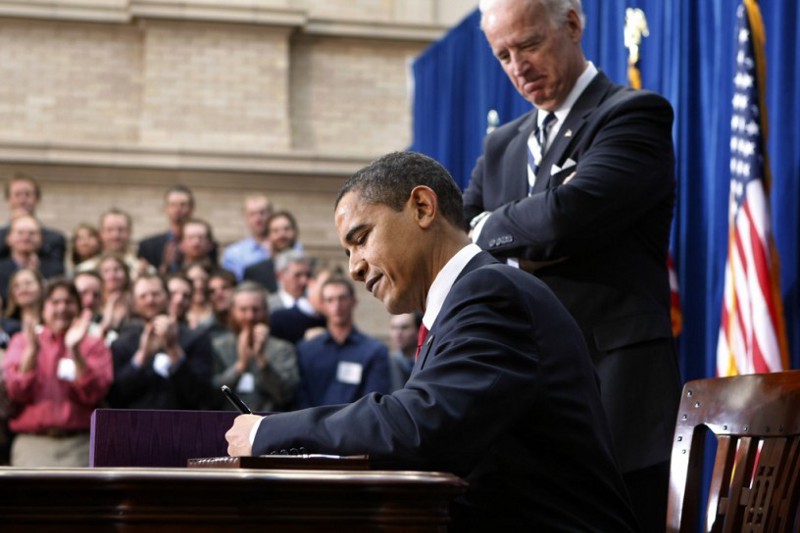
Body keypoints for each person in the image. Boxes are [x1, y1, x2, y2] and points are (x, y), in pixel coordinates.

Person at [225, 151, 637, 531]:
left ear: (422, 207)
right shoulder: (467, 300)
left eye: (361, 238)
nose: (353, 267)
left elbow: (419, 427)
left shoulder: (490, 293)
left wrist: (269, 432)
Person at [462, 1, 681, 528]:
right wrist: (519, 233)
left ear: (574, 25)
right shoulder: (500, 147)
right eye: (503, 55)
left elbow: (565, 218)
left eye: (529, 44)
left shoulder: (632, 115)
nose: (518, 67)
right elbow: (456, 237)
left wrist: (496, 229)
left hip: (617, 402)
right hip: (520, 409)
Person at [3, 278, 113, 466]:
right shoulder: (22, 341)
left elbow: (95, 393)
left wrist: (75, 351)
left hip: (79, 444)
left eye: (68, 302)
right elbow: (15, 392)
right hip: (33, 443)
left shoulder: (93, 343)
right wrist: (31, 354)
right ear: (43, 308)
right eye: (55, 302)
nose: (62, 308)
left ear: (78, 307)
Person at [107, 273, 214, 410]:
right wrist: (142, 356)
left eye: (156, 294)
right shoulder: (121, 343)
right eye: (143, 296)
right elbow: (114, 397)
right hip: (134, 425)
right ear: (134, 303)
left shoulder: (197, 338)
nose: (150, 301)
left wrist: (173, 349)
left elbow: (202, 395)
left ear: (168, 298)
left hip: (184, 424)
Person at [293, 276, 391, 408]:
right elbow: (300, 398)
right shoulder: (306, 350)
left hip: (355, 426)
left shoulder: (374, 350)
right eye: (330, 300)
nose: (337, 305)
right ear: (322, 305)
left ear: (354, 301)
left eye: (342, 298)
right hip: (312, 425)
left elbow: (374, 400)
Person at [211, 281, 299, 412]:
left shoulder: (283, 349)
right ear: (232, 312)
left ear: (266, 311)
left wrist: (262, 360)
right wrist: (240, 366)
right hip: (225, 423)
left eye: (256, 310)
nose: (250, 316)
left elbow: (286, 395)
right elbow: (210, 396)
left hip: (268, 423)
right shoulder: (218, 347)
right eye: (243, 310)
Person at [137, 185, 217, 274]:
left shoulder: (205, 243)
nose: (178, 209)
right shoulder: (148, 246)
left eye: (183, 205)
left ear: (192, 208)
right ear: (165, 208)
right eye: (172, 204)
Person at [0, 172, 66, 264]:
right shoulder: (1, 236)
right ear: (8, 200)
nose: (22, 200)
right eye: (17, 194)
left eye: (27, 194)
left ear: (37, 199)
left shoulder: (54, 239)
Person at [0, 215, 65, 302]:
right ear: (8, 238)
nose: (26, 237)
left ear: (41, 239)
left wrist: (37, 275)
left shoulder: (56, 271)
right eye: (20, 233)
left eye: (32, 233)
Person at [241, 210, 303, 291]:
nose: (282, 235)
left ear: (295, 232)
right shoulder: (255, 272)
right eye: (276, 231)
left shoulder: (312, 267)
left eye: (287, 229)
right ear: (268, 236)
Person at [221, 194, 273, 281]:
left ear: (271, 215)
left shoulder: (291, 247)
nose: (258, 218)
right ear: (246, 218)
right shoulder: (233, 253)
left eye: (262, 213)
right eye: (252, 214)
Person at [386, 311, 421, 391]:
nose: (398, 334)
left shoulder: (428, 362)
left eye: (404, 328)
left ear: (418, 331)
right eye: (394, 328)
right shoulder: (385, 364)